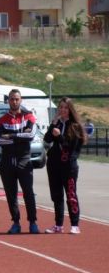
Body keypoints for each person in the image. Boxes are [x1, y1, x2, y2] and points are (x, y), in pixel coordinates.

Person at [0, 89, 39, 234]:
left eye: (17, 99)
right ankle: (16, 222)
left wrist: (12, 136)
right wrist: (19, 137)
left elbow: (31, 136)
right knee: (11, 194)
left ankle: (33, 222)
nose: (14, 101)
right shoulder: (2, 120)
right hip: (7, 161)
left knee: (28, 192)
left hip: (24, 159)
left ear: (21, 100)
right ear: (8, 101)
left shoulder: (29, 117)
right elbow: (0, 140)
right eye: (12, 99)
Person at [44, 97, 87, 235]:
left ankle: (75, 224)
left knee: (71, 194)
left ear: (70, 110)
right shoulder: (57, 124)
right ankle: (58, 224)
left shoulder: (75, 126)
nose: (62, 110)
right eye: (60, 107)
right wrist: (53, 124)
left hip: (68, 166)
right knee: (56, 196)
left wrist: (60, 136)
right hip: (54, 165)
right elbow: (47, 139)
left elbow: (70, 148)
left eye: (65, 108)